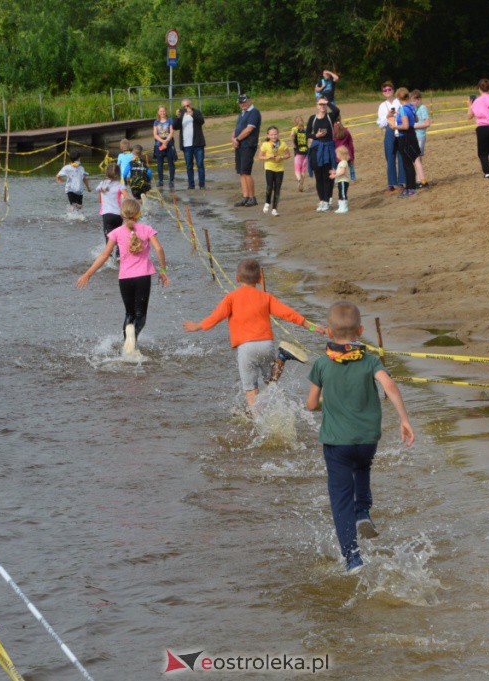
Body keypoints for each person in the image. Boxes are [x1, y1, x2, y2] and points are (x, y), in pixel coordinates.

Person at [305, 301, 414, 574]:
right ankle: (363, 511)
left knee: (340, 496)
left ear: (329, 332)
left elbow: (310, 404)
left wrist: (325, 406)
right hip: (367, 439)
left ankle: (352, 557)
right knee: (363, 466)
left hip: (336, 442)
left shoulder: (321, 364)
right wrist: (404, 419)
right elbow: (388, 384)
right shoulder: (371, 360)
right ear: (361, 330)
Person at [182, 258, 326, 408]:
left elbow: (215, 317)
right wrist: (310, 326)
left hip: (245, 348)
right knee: (270, 381)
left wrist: (198, 326)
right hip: (266, 344)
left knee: (251, 391)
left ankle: (257, 425)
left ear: (236, 278)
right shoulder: (266, 297)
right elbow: (288, 313)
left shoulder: (231, 298)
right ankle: (282, 356)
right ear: (259, 279)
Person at [77, 198, 170, 356]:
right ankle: (132, 340)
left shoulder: (116, 233)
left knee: (129, 314)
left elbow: (105, 255)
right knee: (140, 316)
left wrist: (88, 273)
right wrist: (163, 271)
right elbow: (159, 249)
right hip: (143, 277)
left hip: (124, 279)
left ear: (121, 214)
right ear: (138, 214)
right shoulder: (146, 229)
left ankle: (128, 346)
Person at [307, 96, 341, 211]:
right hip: (316, 149)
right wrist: (315, 136)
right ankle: (321, 200)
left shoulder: (330, 117)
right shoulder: (312, 118)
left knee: (327, 176)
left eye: (324, 104)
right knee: (319, 177)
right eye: (320, 104)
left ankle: (327, 201)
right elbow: (307, 134)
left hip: (328, 148)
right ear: (316, 105)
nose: (322, 106)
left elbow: (337, 111)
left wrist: (328, 102)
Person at [387, 87, 420, 195]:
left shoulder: (403, 109)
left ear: (398, 97)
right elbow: (416, 120)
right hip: (412, 136)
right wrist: (401, 116)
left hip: (404, 137)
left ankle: (411, 188)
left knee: (407, 164)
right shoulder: (411, 107)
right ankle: (410, 187)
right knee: (409, 162)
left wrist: (394, 126)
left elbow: (405, 126)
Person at [96, 163, 129, 265]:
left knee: (108, 237)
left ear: (106, 173)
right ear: (118, 174)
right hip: (118, 215)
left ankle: (109, 260)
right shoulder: (120, 185)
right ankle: (119, 257)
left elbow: (99, 199)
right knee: (119, 235)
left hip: (106, 215)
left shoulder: (102, 184)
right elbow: (127, 197)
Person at [376, 82, 406, 193]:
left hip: (400, 128)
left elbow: (405, 115)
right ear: (383, 93)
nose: (387, 92)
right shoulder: (382, 106)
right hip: (389, 130)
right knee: (390, 156)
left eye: (389, 89)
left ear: (393, 90)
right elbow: (380, 123)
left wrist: (396, 114)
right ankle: (391, 183)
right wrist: (387, 116)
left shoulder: (399, 102)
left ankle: (402, 182)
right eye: (385, 90)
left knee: (402, 156)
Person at [232, 94, 261, 207]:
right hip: (239, 145)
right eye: (240, 102)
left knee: (246, 171)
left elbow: (249, 129)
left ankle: (252, 197)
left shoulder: (254, 112)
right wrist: (233, 138)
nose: (242, 104)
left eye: (244, 102)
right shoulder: (242, 113)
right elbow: (237, 128)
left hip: (248, 145)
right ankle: (245, 197)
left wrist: (237, 139)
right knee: (241, 172)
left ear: (249, 101)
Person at [172, 98, 206, 190]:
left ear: (191, 105)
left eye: (187, 106)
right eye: (184, 106)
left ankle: (202, 185)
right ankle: (191, 185)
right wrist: (177, 117)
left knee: (200, 164)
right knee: (189, 166)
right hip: (186, 145)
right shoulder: (181, 115)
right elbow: (175, 126)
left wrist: (192, 114)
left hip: (198, 143)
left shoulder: (197, 112)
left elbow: (202, 121)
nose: (186, 108)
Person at [258, 126, 290, 216]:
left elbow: (288, 155)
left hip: (280, 168)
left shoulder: (282, 144)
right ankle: (267, 202)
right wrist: (267, 157)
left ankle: (274, 209)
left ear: (278, 134)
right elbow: (260, 156)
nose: (274, 136)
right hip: (269, 167)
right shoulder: (265, 144)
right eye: (271, 134)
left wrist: (281, 157)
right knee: (269, 186)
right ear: (268, 135)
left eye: (275, 134)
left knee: (277, 188)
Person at [56, 151, 88, 221]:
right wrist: (59, 178)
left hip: (77, 190)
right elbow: (58, 175)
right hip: (70, 189)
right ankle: (73, 217)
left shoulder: (79, 168)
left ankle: (73, 216)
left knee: (79, 206)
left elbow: (58, 175)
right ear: (79, 158)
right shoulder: (69, 167)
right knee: (73, 205)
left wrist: (59, 178)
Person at [152, 106, 177, 189]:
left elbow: (171, 132)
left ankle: (171, 181)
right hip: (159, 144)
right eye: (161, 111)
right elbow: (155, 134)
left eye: (164, 111)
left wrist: (166, 141)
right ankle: (160, 180)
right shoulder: (156, 122)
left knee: (171, 163)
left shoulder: (169, 120)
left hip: (169, 144)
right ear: (158, 112)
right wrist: (162, 142)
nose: (162, 113)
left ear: (166, 111)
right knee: (160, 164)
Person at [412, 89, 431, 188]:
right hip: (415, 136)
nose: (413, 103)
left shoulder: (422, 108)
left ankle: (421, 180)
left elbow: (427, 123)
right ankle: (419, 179)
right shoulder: (414, 109)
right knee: (417, 158)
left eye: (414, 100)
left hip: (420, 136)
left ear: (419, 99)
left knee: (417, 158)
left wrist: (413, 126)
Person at [290, 115, 310, 192]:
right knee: (303, 170)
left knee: (297, 168)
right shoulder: (305, 130)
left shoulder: (294, 129)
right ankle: (302, 183)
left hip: (298, 151)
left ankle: (299, 180)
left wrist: (293, 144)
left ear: (295, 122)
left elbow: (292, 135)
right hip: (305, 151)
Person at [331, 145, 351, 214]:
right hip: (340, 181)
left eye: (337, 154)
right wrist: (334, 172)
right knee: (340, 194)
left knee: (342, 194)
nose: (336, 155)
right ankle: (341, 207)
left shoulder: (343, 162)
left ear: (341, 154)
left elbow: (342, 172)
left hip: (343, 181)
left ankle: (344, 207)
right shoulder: (341, 162)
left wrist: (335, 175)